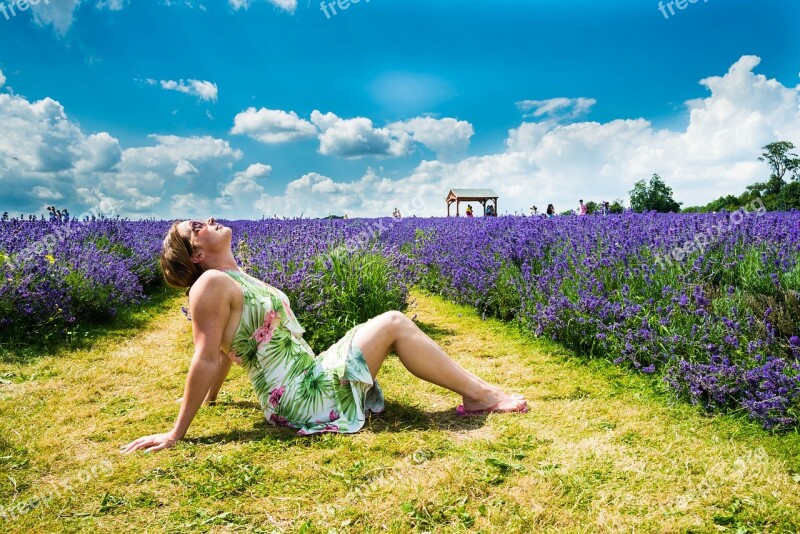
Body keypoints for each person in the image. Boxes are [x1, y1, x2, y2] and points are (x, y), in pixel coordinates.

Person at [121, 218, 527, 453]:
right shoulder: (209, 284)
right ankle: (480, 397)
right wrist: (177, 432)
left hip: (308, 374)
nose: (207, 221)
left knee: (384, 324)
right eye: (196, 227)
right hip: (300, 395)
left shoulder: (233, 278)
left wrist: (213, 399)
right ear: (196, 254)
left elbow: (227, 352)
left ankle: (480, 392)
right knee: (393, 322)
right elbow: (208, 355)